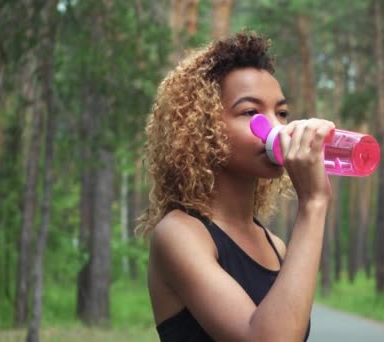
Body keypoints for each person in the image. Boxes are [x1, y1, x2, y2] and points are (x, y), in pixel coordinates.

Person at [136, 31, 335, 342]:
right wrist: (312, 205)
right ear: (205, 129)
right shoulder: (179, 234)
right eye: (251, 112)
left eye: (281, 113)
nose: (277, 128)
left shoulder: (276, 245)